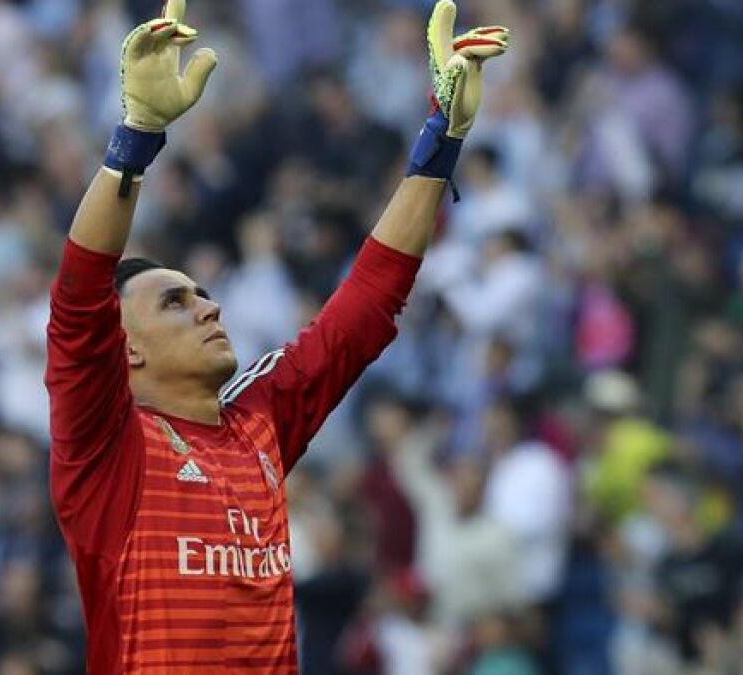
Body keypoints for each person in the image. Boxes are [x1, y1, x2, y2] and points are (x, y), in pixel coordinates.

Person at [42, 1, 510, 672]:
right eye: (175, 302)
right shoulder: (104, 448)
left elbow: (367, 305)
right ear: (126, 350)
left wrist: (442, 139)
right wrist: (136, 138)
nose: (209, 309)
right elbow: (78, 294)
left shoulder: (258, 420)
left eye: (203, 295)